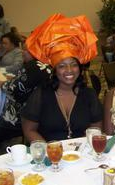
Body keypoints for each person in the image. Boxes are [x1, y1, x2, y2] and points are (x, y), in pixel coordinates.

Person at [21, 14, 103, 142]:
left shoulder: (89, 95)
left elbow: (96, 128)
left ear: (80, 68)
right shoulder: (42, 94)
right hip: (51, 154)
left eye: (74, 65)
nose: (69, 70)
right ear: (54, 70)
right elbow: (29, 130)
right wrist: (48, 150)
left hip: (81, 154)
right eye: (62, 66)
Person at [0, 44, 52, 147]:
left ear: (34, 52)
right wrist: (13, 81)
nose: (22, 52)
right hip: (42, 108)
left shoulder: (33, 66)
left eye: (25, 50)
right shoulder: (44, 64)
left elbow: (15, 88)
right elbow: (25, 83)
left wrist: (3, 84)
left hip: (24, 112)